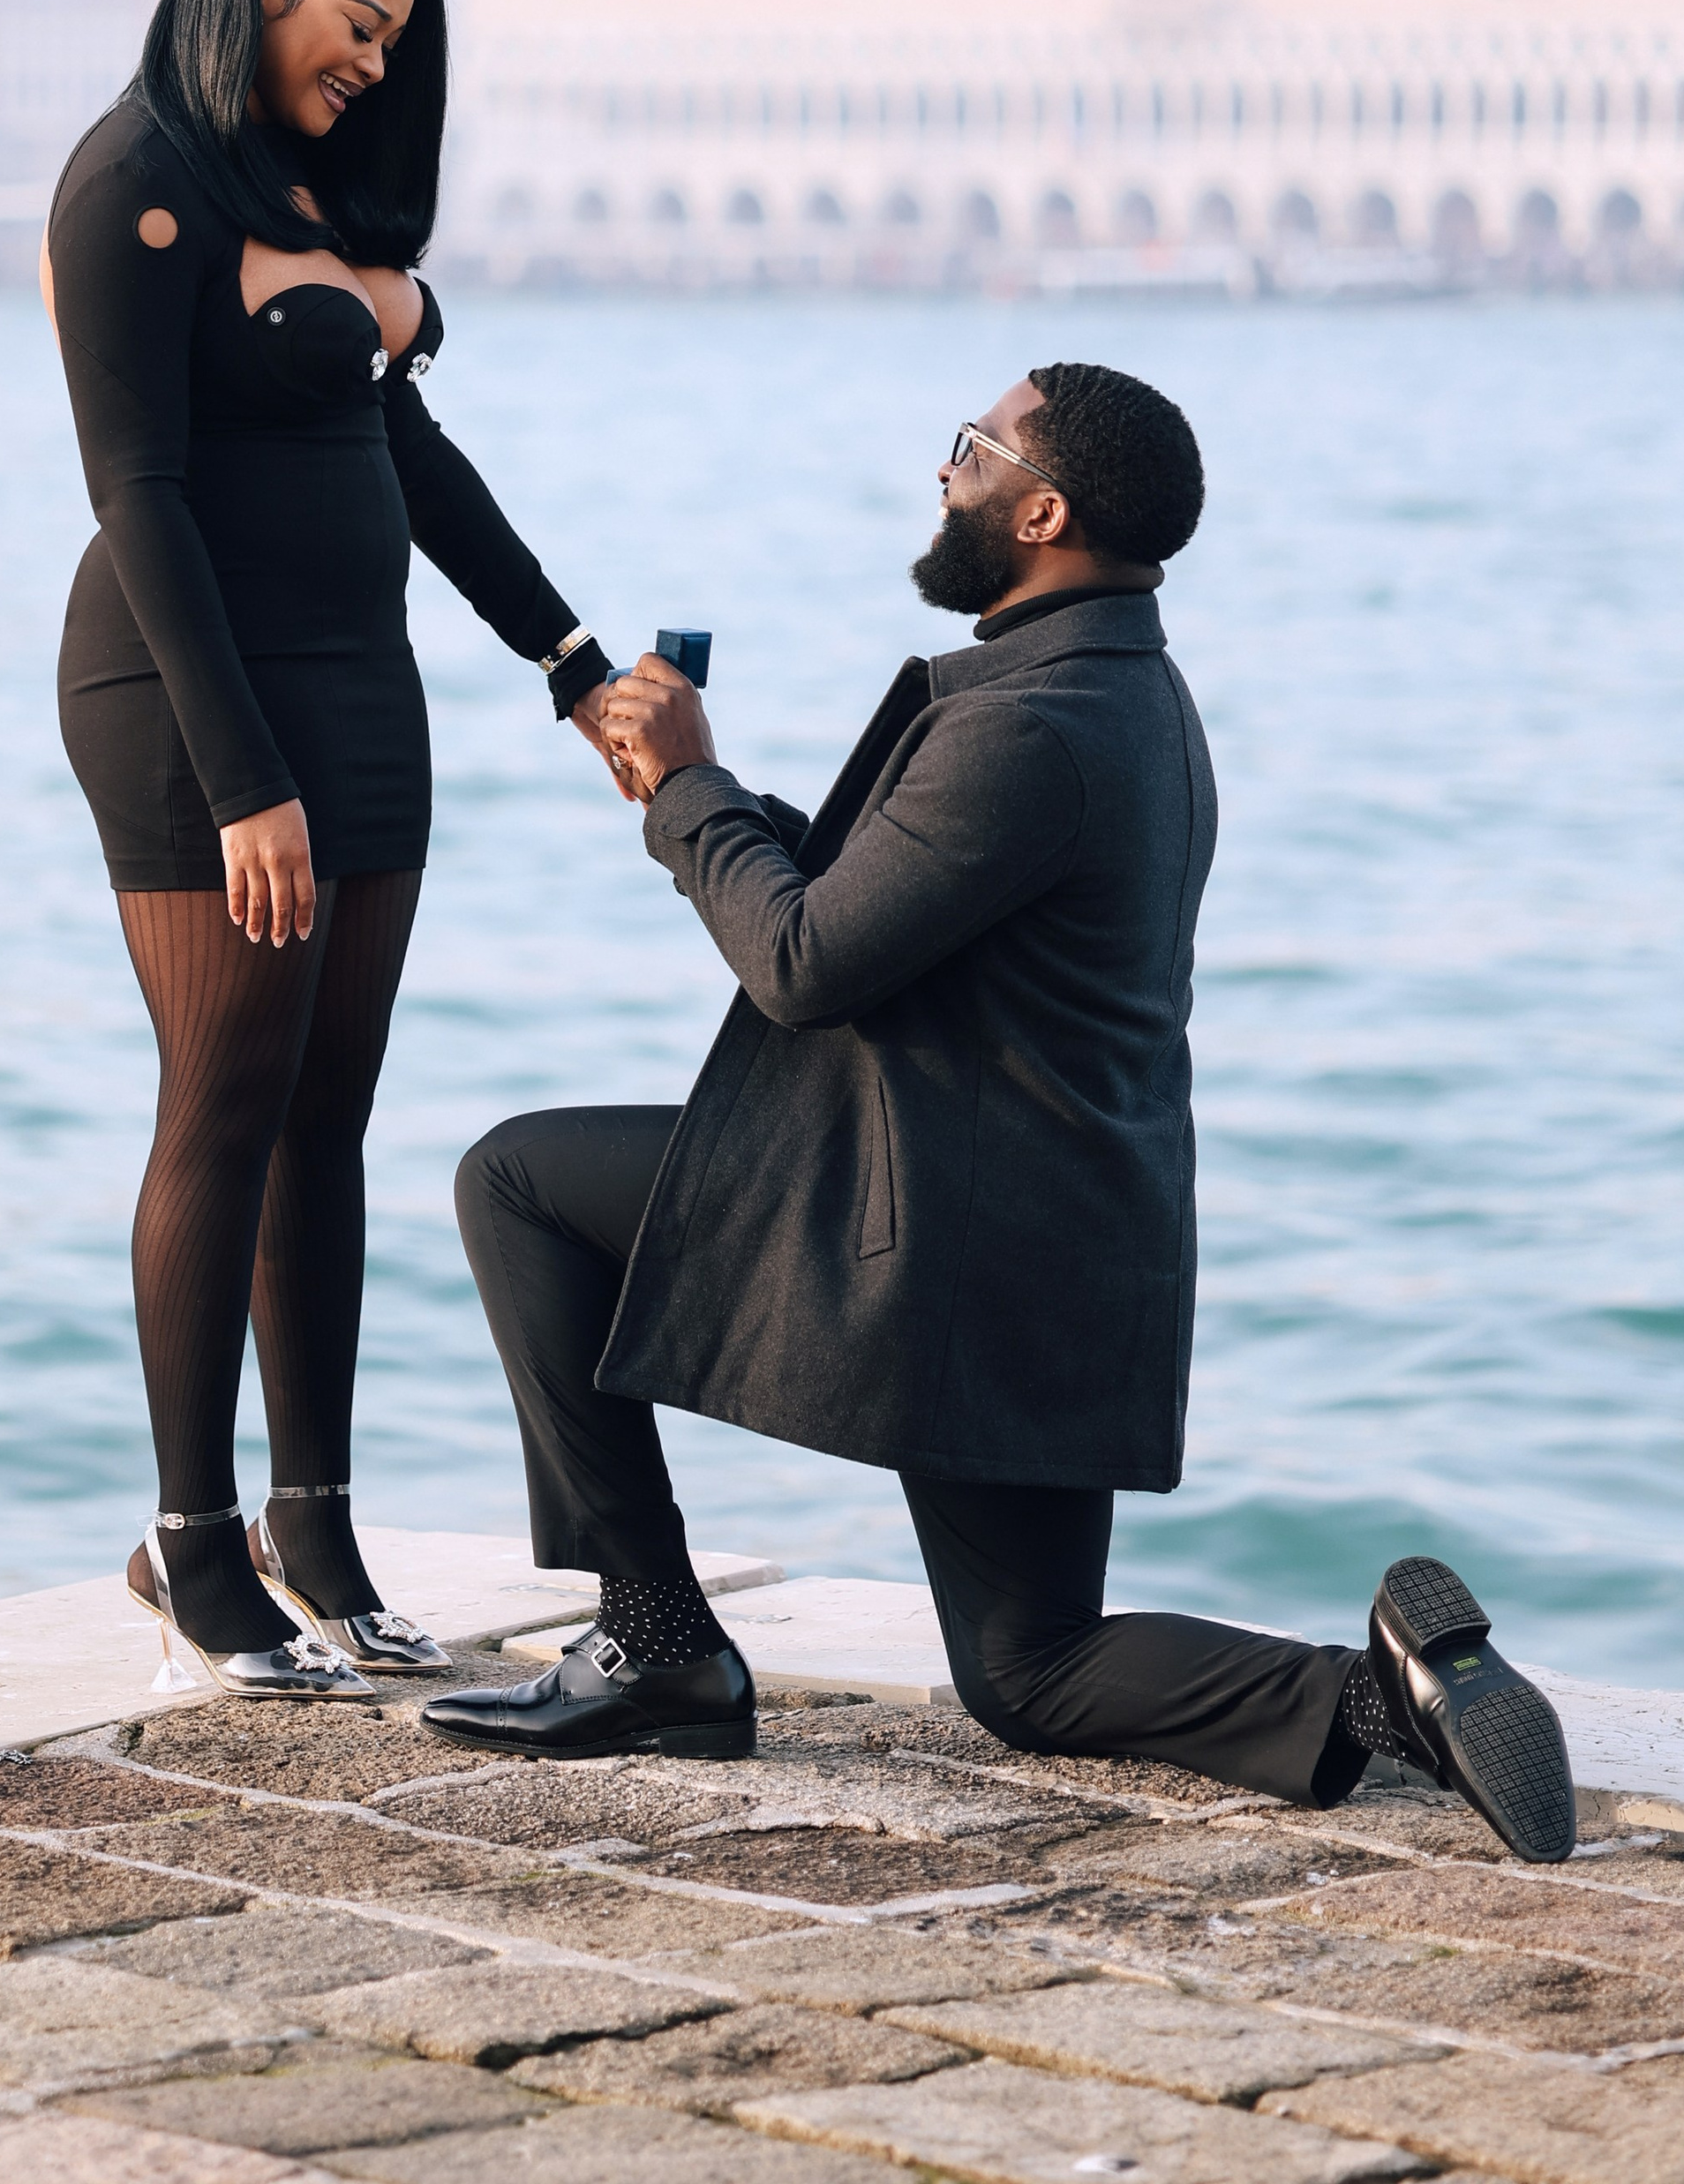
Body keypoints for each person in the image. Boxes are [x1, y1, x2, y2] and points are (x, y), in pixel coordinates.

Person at [425, 361, 1578, 1866]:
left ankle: (653, 1640)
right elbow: (891, 902)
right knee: (1031, 1670)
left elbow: (806, 961)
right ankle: (1387, 1699)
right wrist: (689, 796)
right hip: (1067, 1246)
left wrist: (692, 793)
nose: (946, 473)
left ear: (1042, 509)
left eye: (971, 449)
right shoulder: (1130, 697)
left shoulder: (1028, 724)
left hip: (944, 1242)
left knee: (515, 1181)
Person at [44, 0, 618, 1699]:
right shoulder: (127, 187)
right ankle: (189, 1543)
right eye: (357, 21)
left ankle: (317, 1525)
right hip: (187, 696)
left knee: (329, 1118)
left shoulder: (304, 186)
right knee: (222, 1100)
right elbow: (134, 494)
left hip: (363, 696)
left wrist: (571, 665)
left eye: (399, 37)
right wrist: (238, 784)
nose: (377, 61)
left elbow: (416, 460)